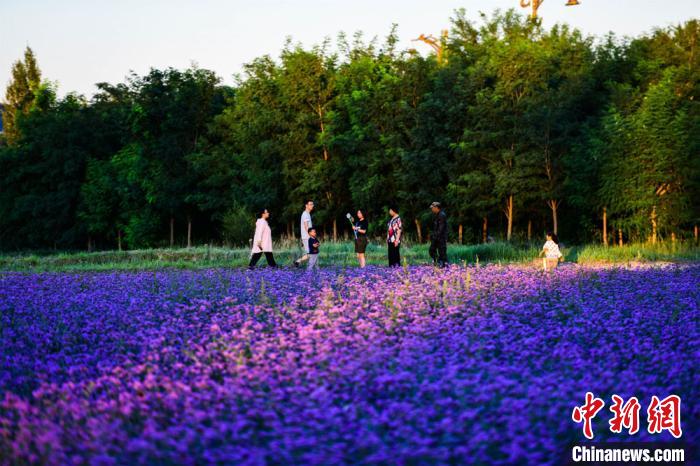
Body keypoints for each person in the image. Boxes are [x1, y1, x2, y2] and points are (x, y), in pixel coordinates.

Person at [294, 200, 314, 267]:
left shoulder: (307, 214)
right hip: (307, 237)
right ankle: (298, 262)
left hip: (307, 237)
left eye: (312, 204)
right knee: (310, 254)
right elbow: (306, 226)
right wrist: (310, 235)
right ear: (306, 205)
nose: (312, 205)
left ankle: (297, 262)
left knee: (311, 253)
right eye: (310, 204)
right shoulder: (305, 214)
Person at [429, 201, 448, 267]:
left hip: (441, 238)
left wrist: (435, 236)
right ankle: (438, 262)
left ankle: (444, 267)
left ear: (436, 207)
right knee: (431, 251)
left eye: (433, 208)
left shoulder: (442, 215)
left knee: (442, 253)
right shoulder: (437, 215)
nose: (432, 209)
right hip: (436, 237)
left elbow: (441, 228)